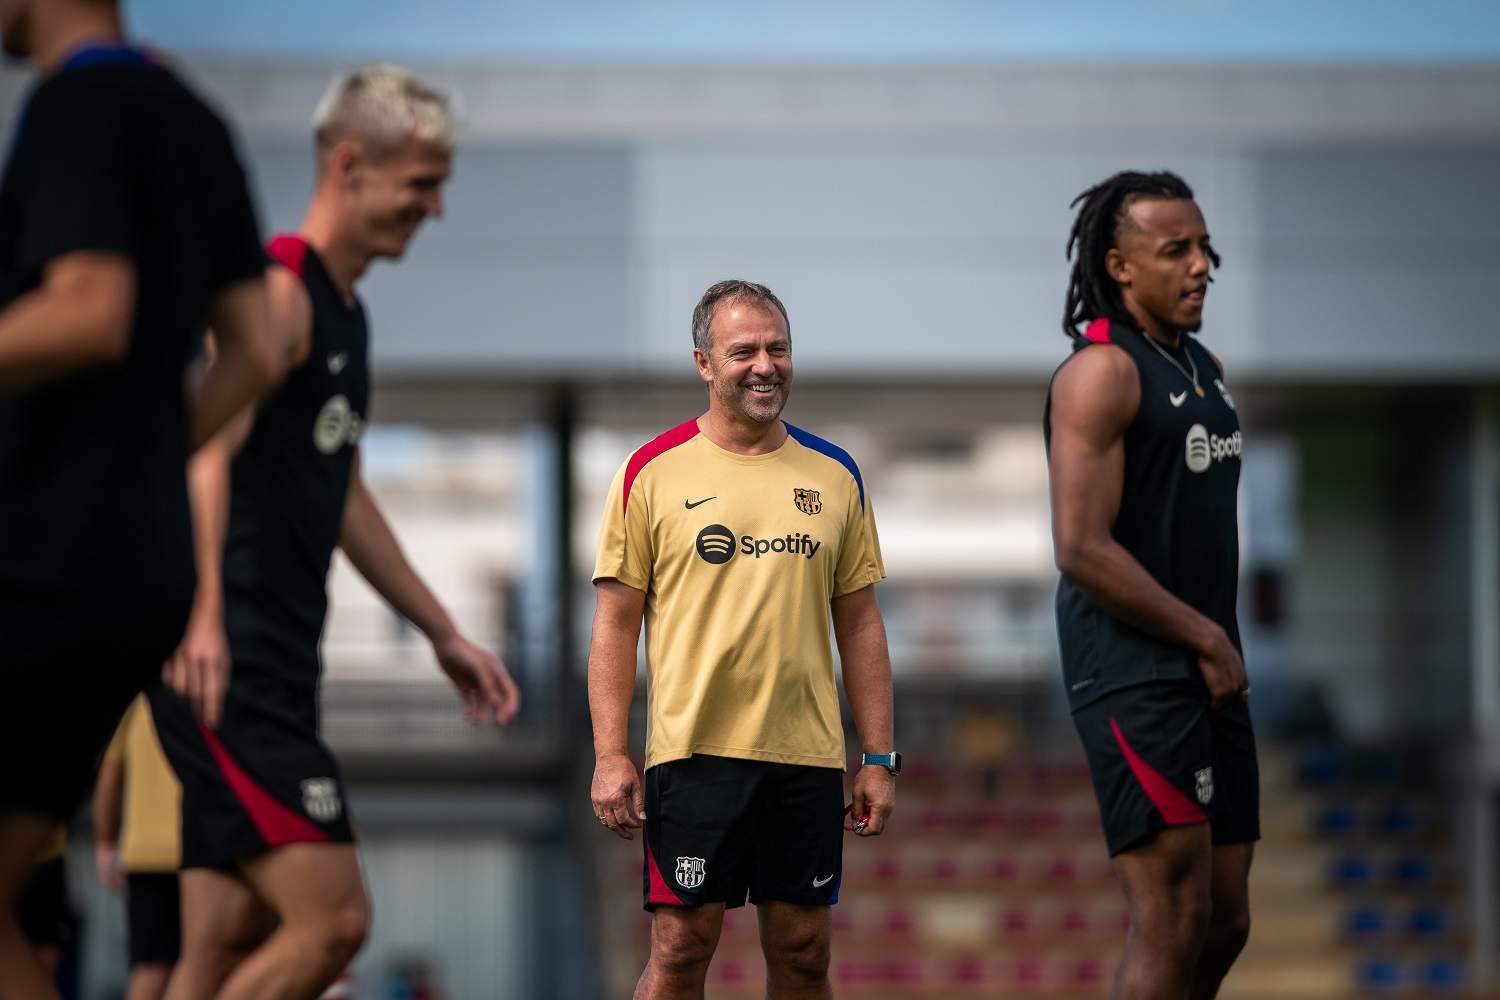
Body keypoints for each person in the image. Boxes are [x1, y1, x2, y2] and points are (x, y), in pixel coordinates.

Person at [147, 64, 522, 1000]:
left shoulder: (345, 316)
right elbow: (200, 451)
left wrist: (442, 631)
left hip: (271, 662)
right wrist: (198, 620)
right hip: (229, 666)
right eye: (420, 184)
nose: (434, 209)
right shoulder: (278, 298)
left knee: (222, 940)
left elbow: (343, 490)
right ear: (349, 164)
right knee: (333, 924)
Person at [0, 1, 281, 995]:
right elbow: (258, 346)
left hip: (41, 553)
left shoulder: (73, 102)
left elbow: (88, 309)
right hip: (131, 560)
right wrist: (149, 470)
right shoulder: (191, 116)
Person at [588, 279, 898, 999]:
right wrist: (610, 753)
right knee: (681, 947)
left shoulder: (836, 474)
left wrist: (879, 756)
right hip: (693, 751)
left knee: (803, 952)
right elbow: (614, 624)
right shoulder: (650, 473)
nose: (765, 365)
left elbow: (860, 624)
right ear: (704, 362)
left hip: (806, 755)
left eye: (778, 348)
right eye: (744, 351)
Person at [1044, 170, 1257, 999]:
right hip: (1134, 666)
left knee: (1227, 919)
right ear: (1121, 265)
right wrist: (1202, 636)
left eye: (1204, 247)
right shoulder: (1102, 372)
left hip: (1211, 666)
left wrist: (1216, 644)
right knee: (1170, 916)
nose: (1200, 264)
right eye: (1176, 250)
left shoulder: (1203, 366)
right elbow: (1080, 547)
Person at [93, 695, 191, 1000]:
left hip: (144, 850)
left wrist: (105, 842)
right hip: (203, 848)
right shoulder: (210, 682)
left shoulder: (136, 699)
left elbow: (109, 777)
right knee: (205, 961)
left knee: (151, 968)